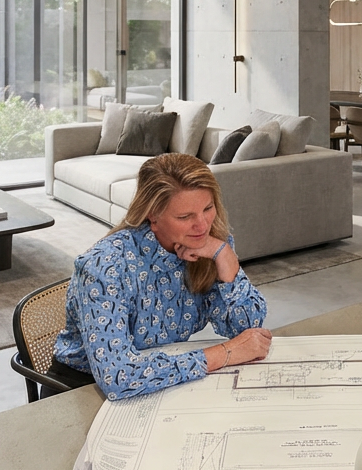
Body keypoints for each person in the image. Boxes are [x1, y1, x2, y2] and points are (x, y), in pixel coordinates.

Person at [50, 152, 271, 401]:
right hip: (82, 389)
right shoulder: (104, 266)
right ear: (152, 216)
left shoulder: (210, 245)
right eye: (185, 216)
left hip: (162, 378)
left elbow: (248, 331)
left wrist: (225, 256)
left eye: (208, 208)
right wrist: (224, 353)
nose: (202, 225)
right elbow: (118, 377)